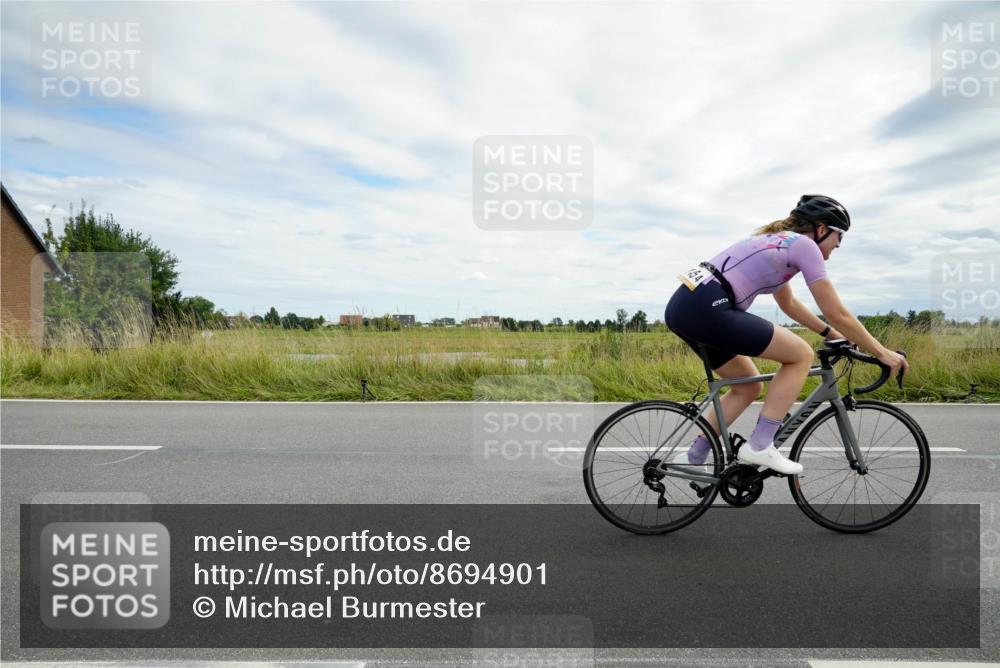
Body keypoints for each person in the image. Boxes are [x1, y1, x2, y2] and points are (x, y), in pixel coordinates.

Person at [663, 194, 909, 474]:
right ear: (821, 228)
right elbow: (837, 311)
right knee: (800, 354)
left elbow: (788, 304)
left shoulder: (779, 243)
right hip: (707, 305)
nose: (836, 247)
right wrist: (882, 352)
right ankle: (760, 446)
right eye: (837, 237)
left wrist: (830, 333)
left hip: (687, 305)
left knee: (747, 386)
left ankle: (694, 457)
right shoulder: (804, 246)